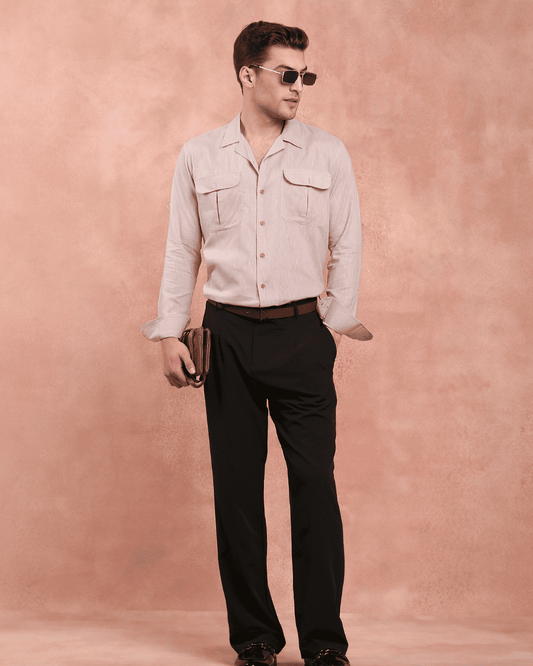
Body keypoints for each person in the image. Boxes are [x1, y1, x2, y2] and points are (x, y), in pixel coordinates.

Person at [142, 20, 372, 666]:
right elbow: (182, 248)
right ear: (248, 75)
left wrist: (329, 322)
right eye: (286, 74)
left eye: (306, 75)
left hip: (301, 335)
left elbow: (347, 242)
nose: (299, 86)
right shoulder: (199, 155)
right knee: (237, 494)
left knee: (314, 487)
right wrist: (168, 332)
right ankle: (254, 639)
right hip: (227, 336)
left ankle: (324, 643)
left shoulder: (327, 153)